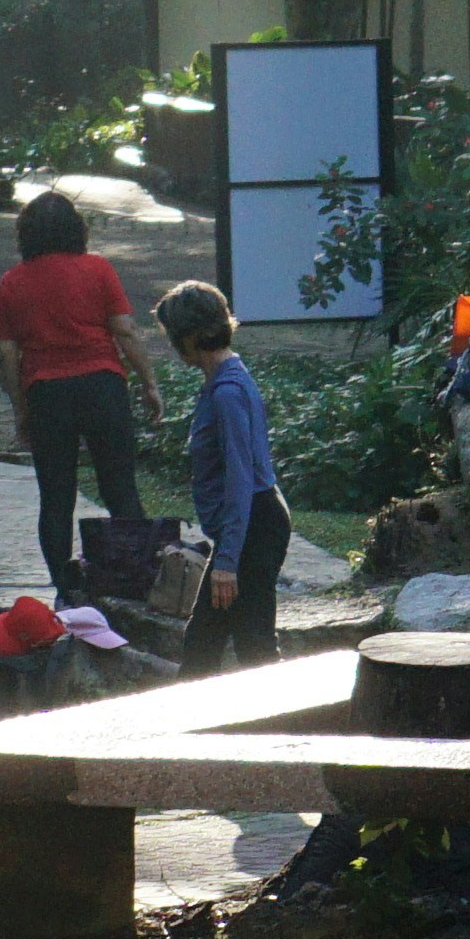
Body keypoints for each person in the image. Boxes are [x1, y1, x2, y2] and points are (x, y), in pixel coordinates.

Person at [0, 190, 150, 596]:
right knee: (120, 489)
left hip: (47, 393)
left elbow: (7, 355)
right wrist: (148, 382)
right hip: (102, 385)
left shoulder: (13, 282)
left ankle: (65, 587)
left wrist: (21, 408)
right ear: (77, 229)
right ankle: (135, 577)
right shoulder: (98, 270)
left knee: (56, 496)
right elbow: (125, 330)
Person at [167, 278, 285, 669]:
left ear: (191, 337)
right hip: (251, 520)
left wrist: (227, 561)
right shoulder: (224, 379)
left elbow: (240, 481)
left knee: (252, 646)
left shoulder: (227, 393)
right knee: (206, 642)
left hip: (254, 521)